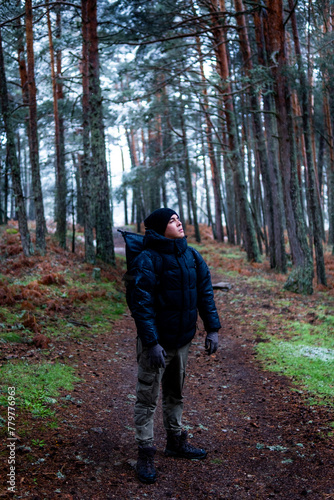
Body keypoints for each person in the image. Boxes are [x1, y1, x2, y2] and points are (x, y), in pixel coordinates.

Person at [128, 208, 221, 484]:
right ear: (159, 228)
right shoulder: (148, 259)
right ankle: (145, 452)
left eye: (179, 218)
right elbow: (140, 304)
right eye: (172, 220)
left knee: (175, 393)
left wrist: (213, 328)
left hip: (182, 341)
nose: (179, 223)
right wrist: (152, 342)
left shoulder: (191, 255)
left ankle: (176, 441)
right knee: (147, 398)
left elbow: (205, 292)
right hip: (155, 345)